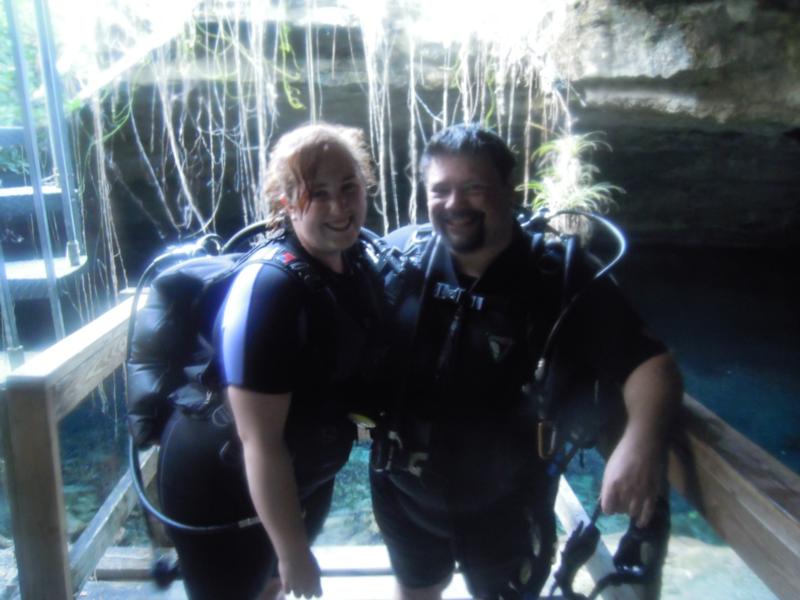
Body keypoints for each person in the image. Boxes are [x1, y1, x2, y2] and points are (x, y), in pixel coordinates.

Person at [369, 124, 683, 599]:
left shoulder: (561, 276)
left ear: (507, 190)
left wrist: (639, 444)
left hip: (508, 509)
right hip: (405, 496)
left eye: (474, 188)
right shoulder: (403, 258)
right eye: (441, 190)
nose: (455, 204)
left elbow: (651, 365)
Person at [156, 123, 383, 599]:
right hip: (217, 484)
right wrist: (293, 551)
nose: (340, 207)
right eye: (317, 193)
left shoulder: (354, 263)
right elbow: (258, 441)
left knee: (270, 588)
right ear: (286, 203)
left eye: (349, 187)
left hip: (297, 474)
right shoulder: (268, 290)